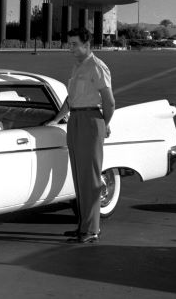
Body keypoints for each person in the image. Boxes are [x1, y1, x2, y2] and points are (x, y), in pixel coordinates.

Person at [46, 32, 115, 244]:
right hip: (75, 119)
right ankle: (83, 226)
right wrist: (56, 119)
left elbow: (109, 101)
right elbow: (71, 98)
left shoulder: (97, 66)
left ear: (87, 44)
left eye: (75, 44)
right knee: (78, 176)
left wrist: (104, 123)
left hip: (90, 120)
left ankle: (92, 229)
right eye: (69, 44)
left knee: (90, 178)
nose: (71, 48)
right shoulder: (78, 66)